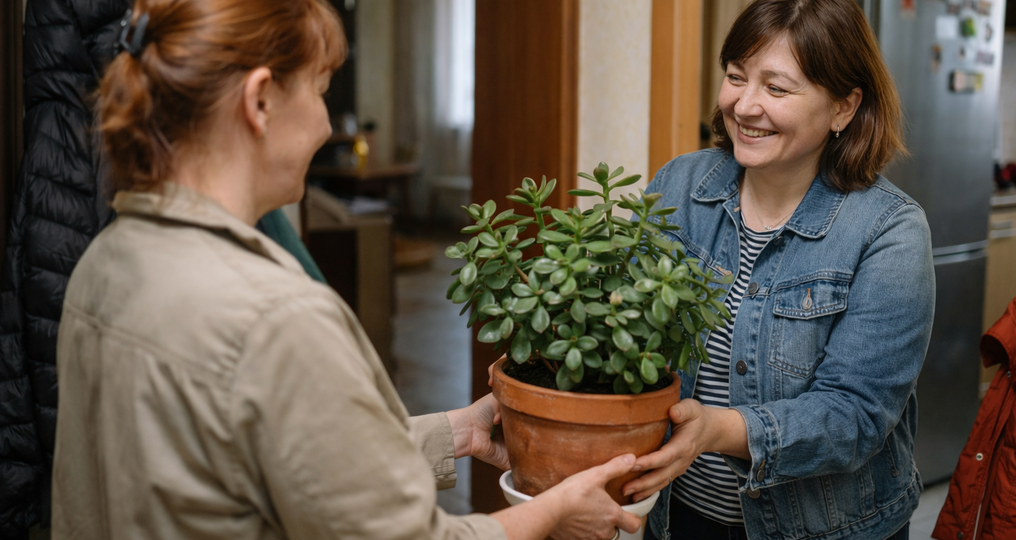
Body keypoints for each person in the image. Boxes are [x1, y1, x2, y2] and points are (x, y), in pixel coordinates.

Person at [50, 1, 641, 539]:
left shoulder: (107, 259)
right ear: (260, 101)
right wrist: (554, 512)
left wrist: (451, 433)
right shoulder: (276, 319)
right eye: (320, 89)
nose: (327, 126)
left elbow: (243, 457)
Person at [621, 1, 935, 539]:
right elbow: (626, 331)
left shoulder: (889, 231)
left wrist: (716, 430)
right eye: (736, 77)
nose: (744, 106)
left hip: (824, 528)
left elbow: (855, 415)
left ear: (843, 107)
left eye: (777, 88)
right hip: (680, 519)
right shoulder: (679, 186)